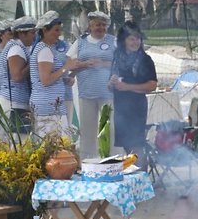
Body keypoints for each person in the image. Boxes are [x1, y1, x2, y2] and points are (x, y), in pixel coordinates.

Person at [66, 11, 117, 158]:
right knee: (88, 129)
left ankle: (112, 158)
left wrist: (104, 63)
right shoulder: (80, 42)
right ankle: (88, 160)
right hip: (86, 92)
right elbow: (69, 63)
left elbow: (121, 62)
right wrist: (83, 64)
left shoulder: (113, 41)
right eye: (97, 25)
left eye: (103, 25)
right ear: (90, 26)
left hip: (108, 93)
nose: (100, 28)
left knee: (110, 128)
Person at [109, 21, 157, 170]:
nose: (135, 42)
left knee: (137, 146)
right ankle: (133, 179)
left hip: (136, 109)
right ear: (123, 40)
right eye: (131, 38)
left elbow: (152, 85)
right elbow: (110, 87)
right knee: (127, 146)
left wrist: (127, 87)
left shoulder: (145, 59)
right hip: (120, 109)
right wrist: (111, 83)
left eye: (137, 38)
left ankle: (142, 182)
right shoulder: (117, 57)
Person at [30, 11, 74, 137]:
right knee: (55, 150)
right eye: (56, 30)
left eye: (60, 30)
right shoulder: (44, 50)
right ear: (45, 30)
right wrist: (66, 67)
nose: (59, 34)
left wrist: (63, 78)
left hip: (50, 106)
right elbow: (46, 80)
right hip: (48, 108)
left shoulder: (44, 48)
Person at [0, 16, 37, 138]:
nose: (35, 36)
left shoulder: (18, 47)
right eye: (32, 32)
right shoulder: (16, 49)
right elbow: (17, 76)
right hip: (14, 104)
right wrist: (33, 63)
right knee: (20, 143)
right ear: (22, 34)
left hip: (16, 102)